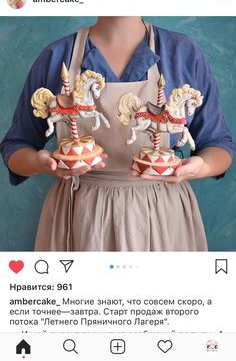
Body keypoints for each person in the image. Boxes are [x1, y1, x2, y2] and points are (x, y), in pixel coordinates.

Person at [0, 17, 235, 251]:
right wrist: (41, 164)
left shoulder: (183, 53)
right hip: (79, 219)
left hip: (164, 217)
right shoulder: (56, 55)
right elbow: (16, 147)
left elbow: (218, 144)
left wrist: (200, 167)